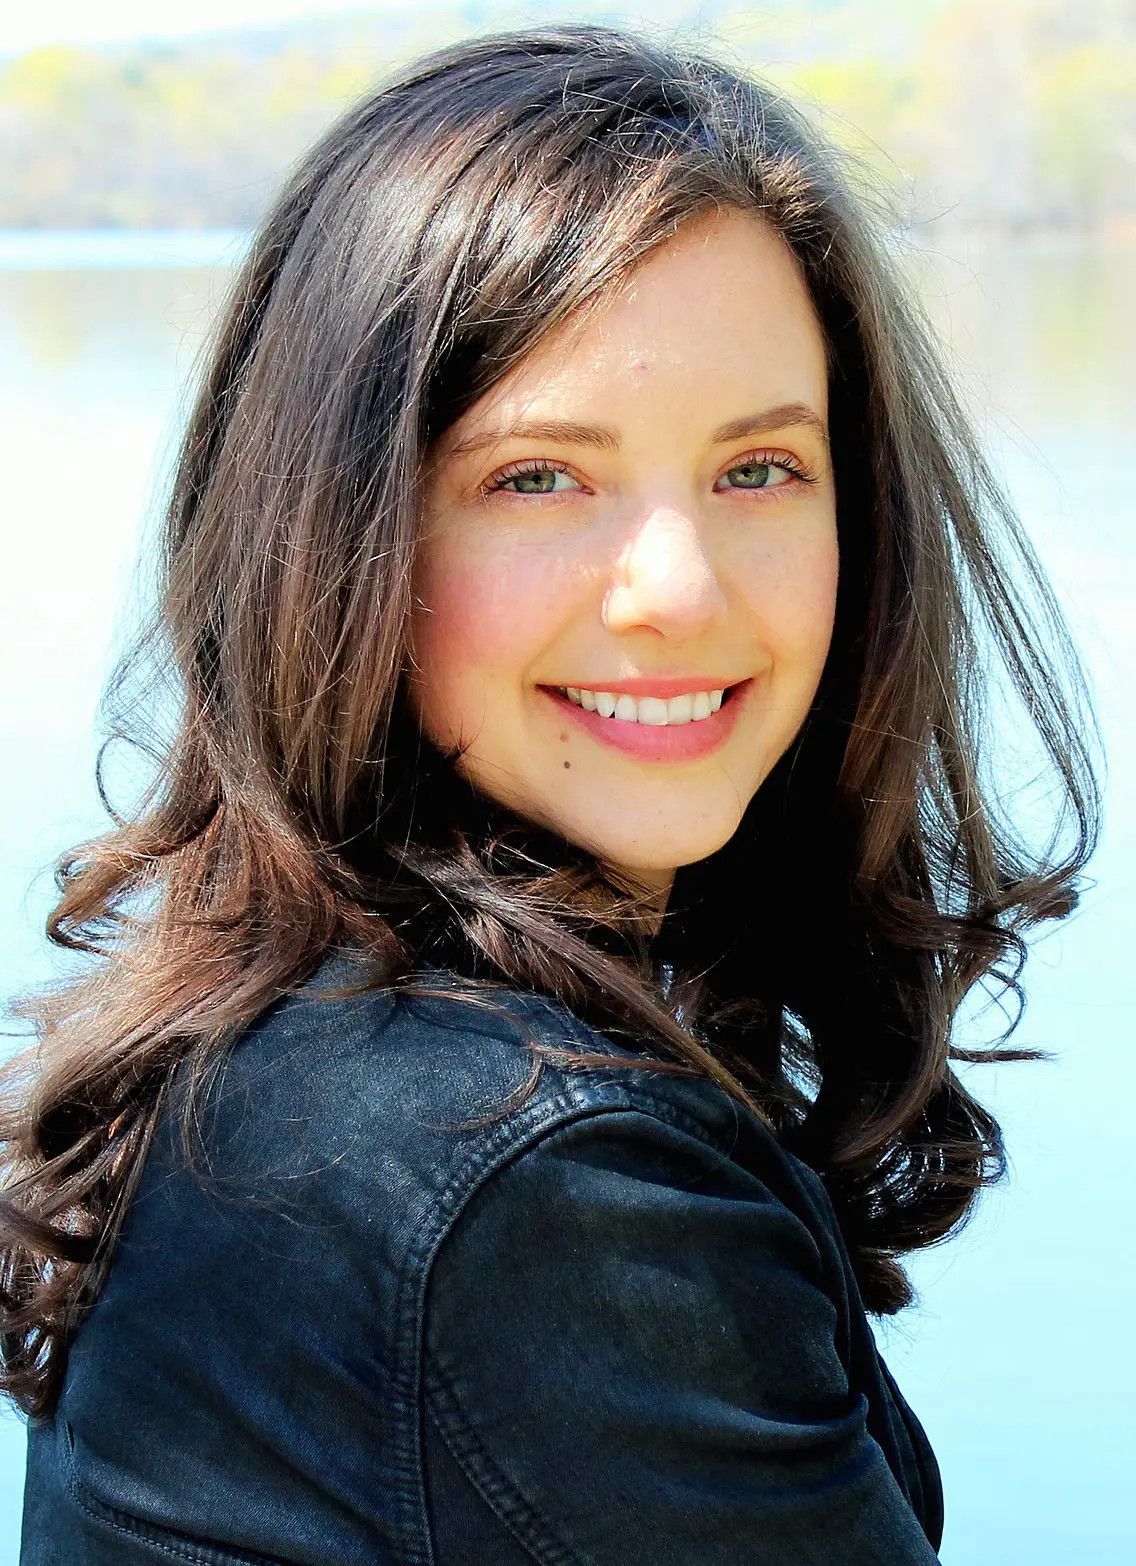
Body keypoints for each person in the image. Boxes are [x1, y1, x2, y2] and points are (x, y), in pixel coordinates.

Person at [1, 24, 1098, 1566]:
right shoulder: (528, 1174)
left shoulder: (303, 1043)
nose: (680, 587)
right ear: (343, 535)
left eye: (761, 468)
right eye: (538, 478)